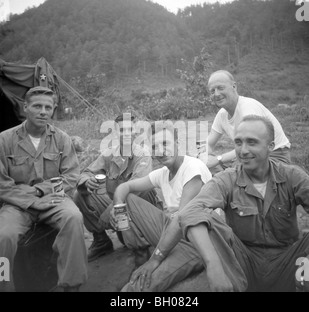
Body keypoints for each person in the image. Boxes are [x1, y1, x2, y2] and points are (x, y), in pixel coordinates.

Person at [178, 115, 309, 292]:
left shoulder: (292, 176)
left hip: (288, 261)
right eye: (238, 142)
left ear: (270, 146)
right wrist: (213, 265)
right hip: (243, 263)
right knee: (210, 221)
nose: (243, 150)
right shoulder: (226, 179)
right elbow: (189, 213)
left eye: (252, 142)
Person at [0, 86, 87, 292]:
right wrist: (31, 201)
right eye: (37, 106)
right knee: (3, 235)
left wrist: (40, 192)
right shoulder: (4, 139)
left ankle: (71, 284)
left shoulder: (61, 138)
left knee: (73, 218)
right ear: (25, 107)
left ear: (53, 109)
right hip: (18, 204)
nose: (43, 111)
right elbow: (2, 184)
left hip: (54, 199)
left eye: (48, 107)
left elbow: (71, 175)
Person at [110, 121, 212, 292]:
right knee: (128, 199)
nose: (161, 150)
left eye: (165, 143)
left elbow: (181, 220)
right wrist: (118, 206)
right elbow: (125, 187)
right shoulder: (163, 173)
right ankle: (140, 253)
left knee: (134, 289)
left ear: (178, 144)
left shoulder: (193, 169)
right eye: (155, 146)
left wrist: (156, 259)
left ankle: (153, 261)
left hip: (196, 241)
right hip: (173, 229)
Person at [73, 114, 162, 262]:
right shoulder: (109, 154)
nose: (126, 134)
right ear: (115, 133)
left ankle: (141, 252)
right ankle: (101, 241)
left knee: (128, 200)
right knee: (79, 194)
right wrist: (87, 181)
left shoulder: (143, 155)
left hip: (143, 211)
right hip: (120, 212)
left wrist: (109, 212)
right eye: (122, 130)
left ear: (135, 131)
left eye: (130, 129)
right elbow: (87, 172)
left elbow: (134, 190)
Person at [199, 70, 291, 171]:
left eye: (221, 88)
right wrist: (200, 157)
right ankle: (227, 180)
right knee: (202, 166)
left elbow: (250, 147)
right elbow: (209, 144)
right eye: (212, 91)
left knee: (232, 169)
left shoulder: (248, 108)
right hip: (246, 156)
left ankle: (229, 179)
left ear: (234, 87)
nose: (216, 94)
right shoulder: (222, 114)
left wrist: (218, 159)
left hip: (274, 156)